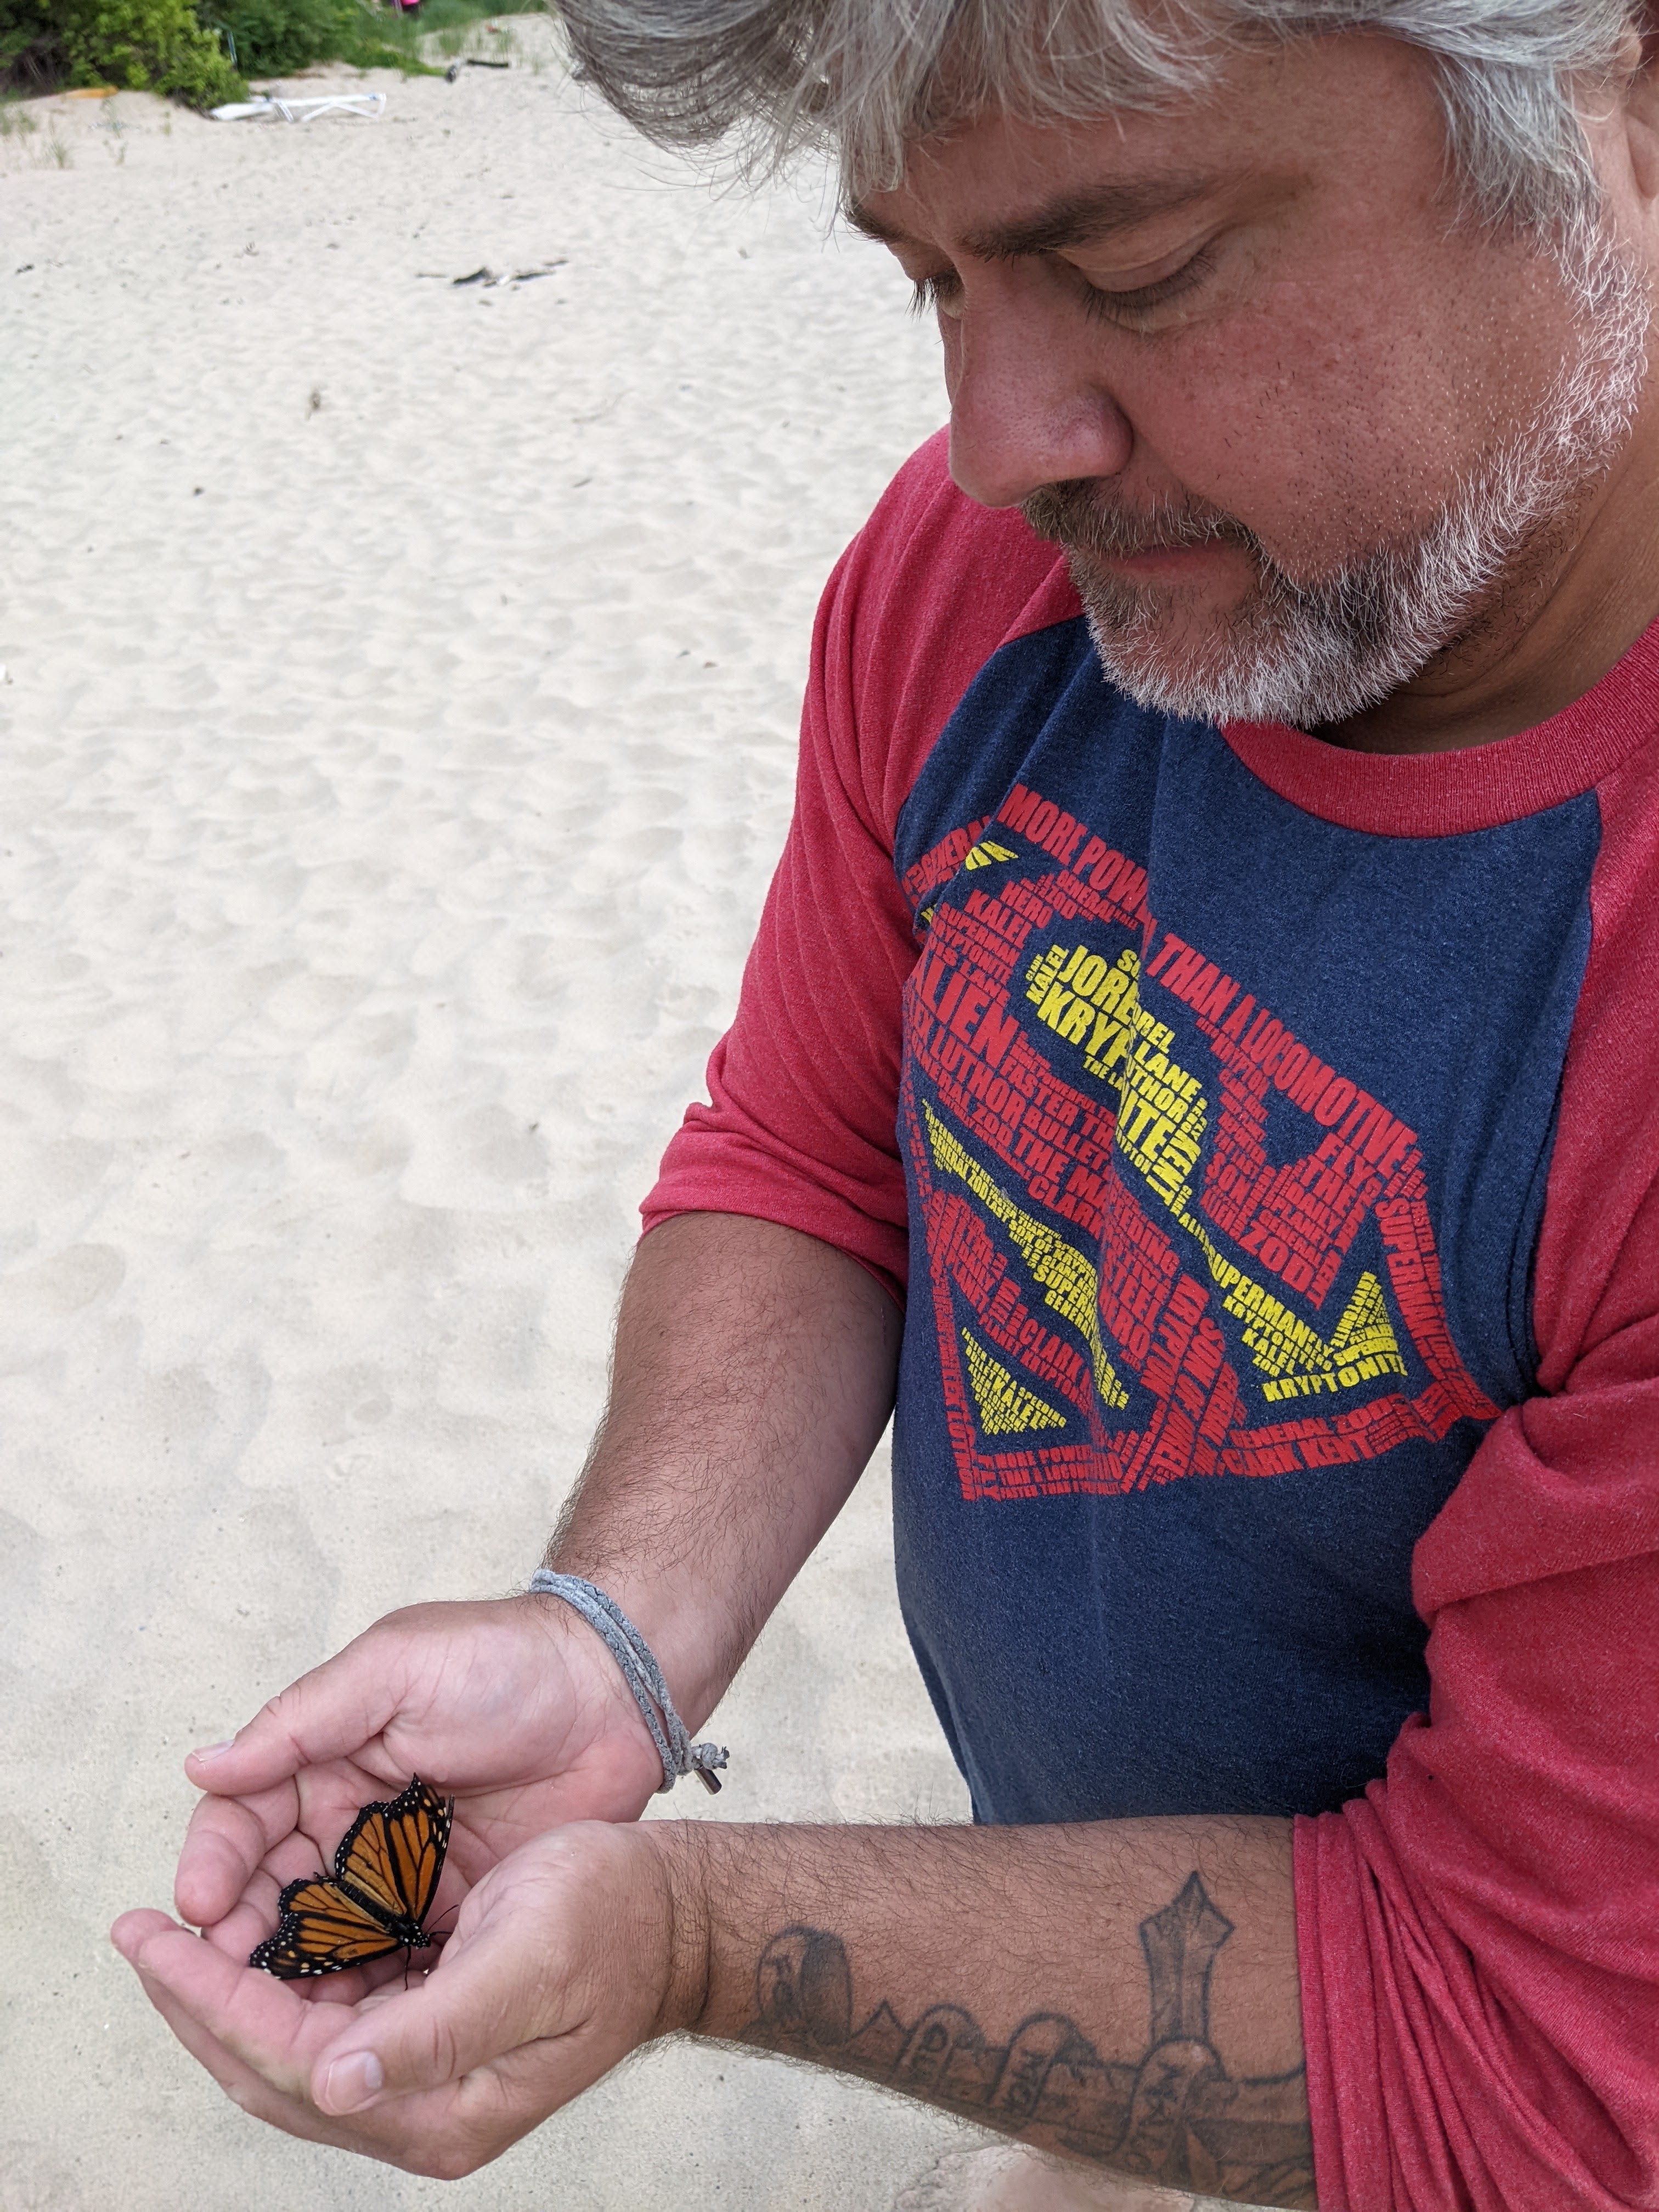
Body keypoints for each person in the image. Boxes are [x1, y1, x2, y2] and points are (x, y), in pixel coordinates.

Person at [111, 3, 1659, 2207]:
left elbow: (1522, 2050)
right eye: (932, 278)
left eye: (1137, 268)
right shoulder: (1000, 591)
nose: (995, 439)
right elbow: (820, 1149)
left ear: (1623, 86)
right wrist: (615, 1639)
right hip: (1152, 1981)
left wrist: (687, 1935)